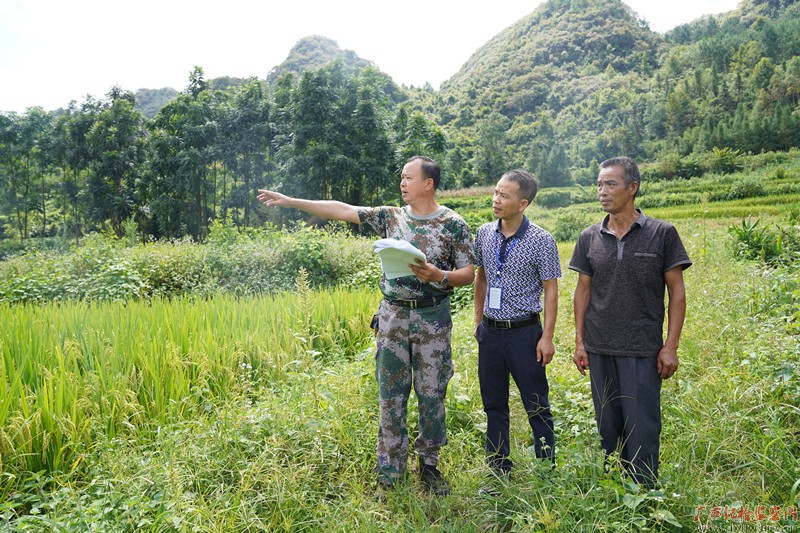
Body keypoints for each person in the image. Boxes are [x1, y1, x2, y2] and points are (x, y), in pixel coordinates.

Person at [256, 156, 475, 496]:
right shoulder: (391, 217)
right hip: (392, 319)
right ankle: (390, 472)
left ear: (428, 183)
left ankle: (429, 467)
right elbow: (343, 209)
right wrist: (289, 201)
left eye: (408, 177)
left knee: (432, 395)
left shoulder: (452, 223)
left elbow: (468, 274)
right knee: (391, 397)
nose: (402, 183)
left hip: (432, 320)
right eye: (401, 177)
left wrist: (438, 275)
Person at [569, 156, 691, 488]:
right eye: (599, 184)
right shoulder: (589, 237)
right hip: (599, 347)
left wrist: (670, 346)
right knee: (608, 426)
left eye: (610, 184)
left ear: (632, 188)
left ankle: (645, 494)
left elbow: (677, 294)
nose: (602, 191)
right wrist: (580, 342)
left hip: (642, 348)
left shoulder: (662, 233)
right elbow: (582, 293)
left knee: (642, 427)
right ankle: (616, 491)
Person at [473, 169, 561, 479]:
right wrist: (477, 320)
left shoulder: (541, 240)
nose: (496, 200)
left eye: (504, 195)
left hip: (525, 333)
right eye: (496, 192)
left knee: (536, 405)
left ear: (522, 203)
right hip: (491, 332)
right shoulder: (484, 233)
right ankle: (498, 471)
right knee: (494, 405)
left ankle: (545, 468)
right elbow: (481, 276)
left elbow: (551, 289)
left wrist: (546, 337)